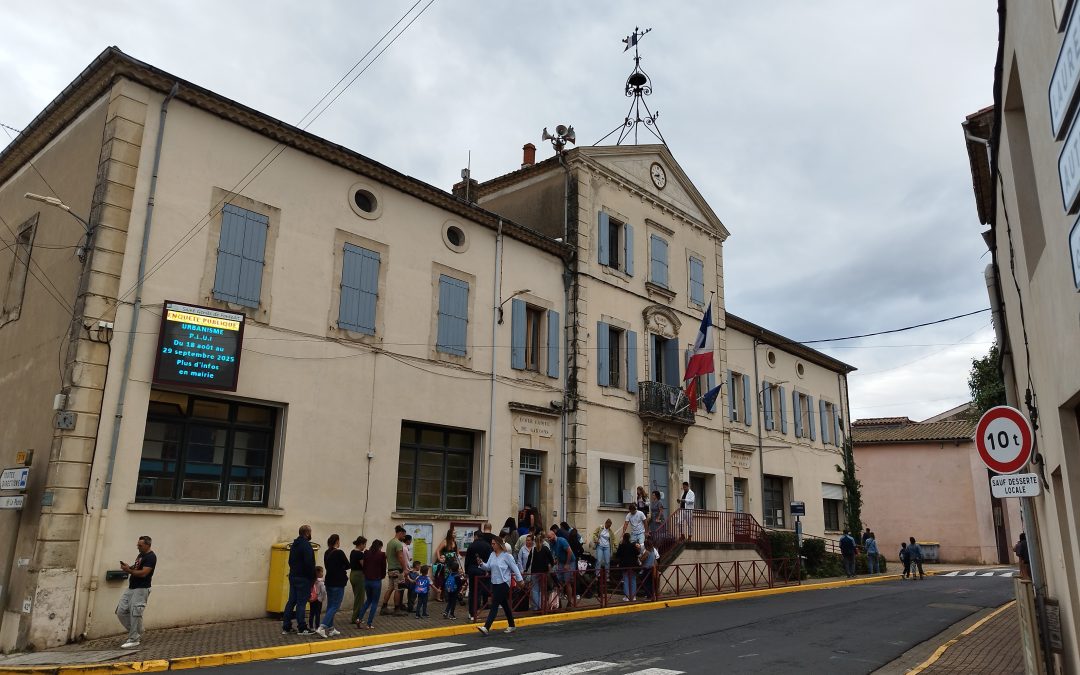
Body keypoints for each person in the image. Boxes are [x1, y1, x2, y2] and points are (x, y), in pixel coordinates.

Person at [475, 538, 524, 636]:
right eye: (491, 543)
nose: (492, 545)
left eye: (494, 544)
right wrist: (481, 564)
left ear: (499, 544)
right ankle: (512, 625)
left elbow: (515, 569)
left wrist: (520, 580)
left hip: (504, 583)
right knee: (505, 605)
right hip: (495, 583)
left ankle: (486, 627)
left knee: (494, 604)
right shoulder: (492, 555)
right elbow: (488, 567)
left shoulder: (507, 556)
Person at [117, 535, 156, 648]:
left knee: (135, 613)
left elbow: (144, 573)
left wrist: (128, 570)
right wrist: (129, 567)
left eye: (140, 545)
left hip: (141, 589)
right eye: (137, 545)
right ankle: (138, 630)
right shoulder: (141, 555)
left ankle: (134, 638)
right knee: (121, 611)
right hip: (132, 587)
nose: (137, 547)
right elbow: (137, 567)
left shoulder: (151, 557)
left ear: (147, 545)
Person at [282, 525, 316, 635]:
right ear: (307, 533)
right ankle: (302, 627)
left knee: (291, 601)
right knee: (301, 603)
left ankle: (286, 627)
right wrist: (312, 577)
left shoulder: (294, 545)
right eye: (310, 532)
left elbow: (290, 561)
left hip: (293, 576)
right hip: (304, 578)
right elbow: (309, 563)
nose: (311, 534)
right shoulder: (306, 546)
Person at [316, 533, 350, 638]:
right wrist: (341, 567)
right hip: (338, 582)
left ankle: (331, 629)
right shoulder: (339, 552)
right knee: (335, 606)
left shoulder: (327, 552)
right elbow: (348, 565)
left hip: (329, 582)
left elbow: (328, 566)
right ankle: (322, 627)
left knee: (330, 605)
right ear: (337, 541)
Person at [465, 523, 495, 620]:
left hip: (472, 570)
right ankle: (477, 611)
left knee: (472, 592)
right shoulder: (487, 546)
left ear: (476, 536)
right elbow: (489, 559)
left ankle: (471, 613)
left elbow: (467, 560)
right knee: (480, 591)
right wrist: (488, 571)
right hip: (482, 571)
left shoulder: (471, 546)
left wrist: (466, 572)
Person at [357, 539, 386, 628]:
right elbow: (383, 567)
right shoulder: (381, 555)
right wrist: (382, 576)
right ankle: (369, 624)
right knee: (374, 602)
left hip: (367, 580)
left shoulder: (366, 553)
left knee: (368, 600)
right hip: (376, 581)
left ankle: (359, 618)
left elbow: (364, 566)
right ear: (380, 547)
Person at [381, 525, 409, 615]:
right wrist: (405, 569)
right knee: (398, 589)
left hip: (390, 569)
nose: (404, 537)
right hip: (397, 569)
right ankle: (397, 609)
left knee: (390, 588)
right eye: (403, 535)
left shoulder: (389, 543)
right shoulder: (397, 543)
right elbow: (400, 557)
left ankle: (384, 607)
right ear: (400, 533)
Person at [526, 531, 555, 611]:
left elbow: (529, 561)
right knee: (543, 590)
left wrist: (526, 569)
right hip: (543, 572)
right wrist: (552, 565)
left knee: (535, 590)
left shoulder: (533, 550)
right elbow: (551, 559)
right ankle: (542, 606)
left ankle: (536, 607)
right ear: (542, 541)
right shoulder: (545, 549)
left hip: (534, 572)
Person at [547, 526, 576, 606]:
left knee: (567, 581)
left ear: (553, 535)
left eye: (549, 537)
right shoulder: (552, 543)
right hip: (561, 561)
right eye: (548, 538)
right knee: (558, 581)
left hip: (570, 561)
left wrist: (567, 564)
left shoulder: (562, 540)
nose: (549, 539)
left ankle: (569, 602)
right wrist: (554, 562)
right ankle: (558, 602)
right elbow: (555, 554)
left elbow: (569, 552)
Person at [433, 528, 459, 602]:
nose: (455, 534)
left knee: (453, 578)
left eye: (455, 533)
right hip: (446, 563)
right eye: (454, 533)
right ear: (450, 534)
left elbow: (457, 552)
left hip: (453, 563)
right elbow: (438, 550)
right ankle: (445, 596)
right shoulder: (445, 541)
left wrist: (458, 557)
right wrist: (439, 558)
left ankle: (452, 595)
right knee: (446, 578)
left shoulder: (455, 542)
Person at [614, 533, 640, 601]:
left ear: (624, 538)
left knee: (626, 580)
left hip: (625, 565)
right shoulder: (633, 545)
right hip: (633, 565)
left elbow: (617, 555)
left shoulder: (622, 546)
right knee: (633, 580)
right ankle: (633, 596)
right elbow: (637, 553)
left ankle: (627, 596)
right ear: (629, 538)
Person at [349, 536, 367, 627]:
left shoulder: (352, 552)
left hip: (352, 574)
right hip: (359, 575)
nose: (364, 546)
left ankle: (356, 617)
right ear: (361, 544)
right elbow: (364, 565)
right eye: (364, 544)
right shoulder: (360, 554)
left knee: (357, 596)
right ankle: (356, 618)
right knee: (360, 598)